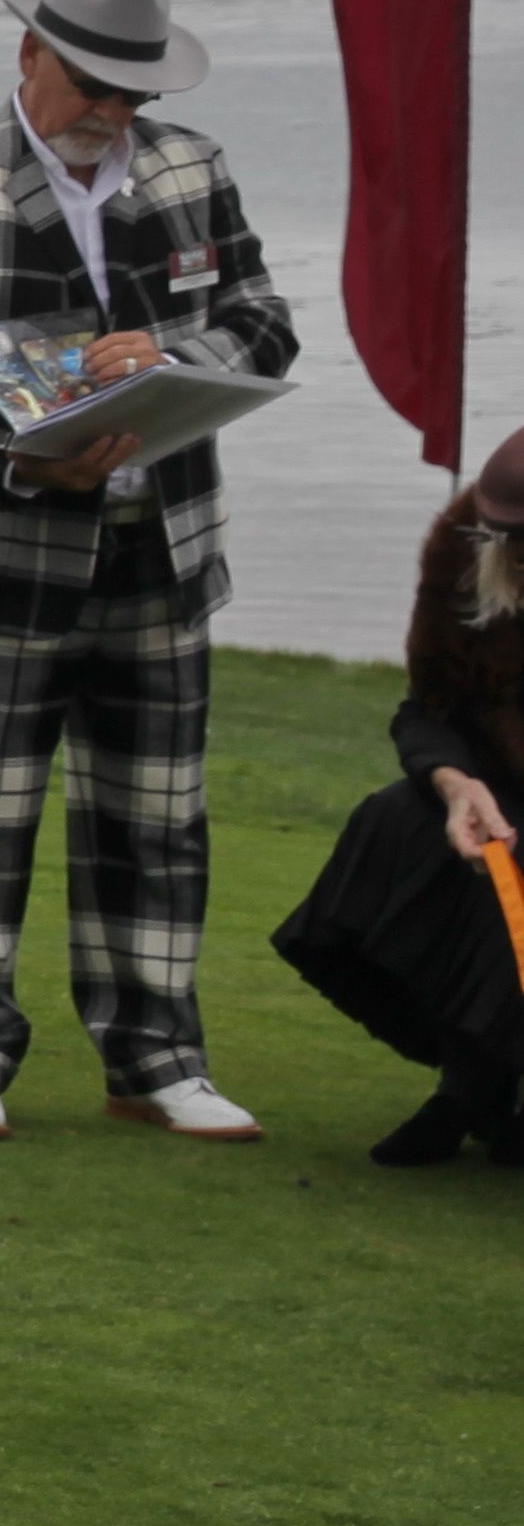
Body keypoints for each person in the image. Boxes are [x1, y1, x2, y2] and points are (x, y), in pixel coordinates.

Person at [0, 0, 300, 1141]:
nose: (110, 115)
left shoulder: (190, 170)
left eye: (132, 95)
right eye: (92, 87)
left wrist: (177, 362)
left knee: (154, 813)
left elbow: (261, 320)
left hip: (161, 546)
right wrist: (21, 455)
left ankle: (155, 1056)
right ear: (28, 54)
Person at [272, 434, 524, 1164]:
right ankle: (468, 1089)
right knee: (399, 822)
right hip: (497, 790)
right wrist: (457, 788)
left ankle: (487, 1090)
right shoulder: (463, 559)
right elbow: (425, 714)